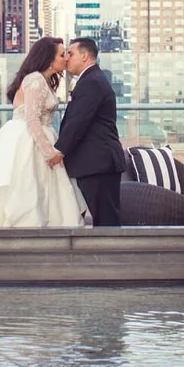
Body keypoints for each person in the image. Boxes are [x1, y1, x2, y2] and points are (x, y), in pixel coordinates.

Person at [0, 36, 86, 228]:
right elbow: (32, 119)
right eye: (62, 54)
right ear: (48, 58)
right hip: (30, 138)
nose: (66, 58)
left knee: (42, 187)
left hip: (40, 135)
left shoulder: (43, 80)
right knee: (27, 185)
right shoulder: (35, 80)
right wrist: (49, 152)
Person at [54, 37, 127, 227]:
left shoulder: (91, 82)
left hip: (98, 163)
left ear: (84, 55)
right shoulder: (91, 79)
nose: (67, 58)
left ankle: (110, 255)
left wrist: (59, 151)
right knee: (105, 219)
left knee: (106, 221)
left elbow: (78, 121)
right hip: (97, 163)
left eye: (70, 53)